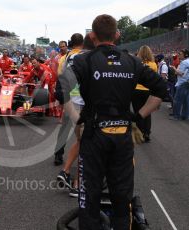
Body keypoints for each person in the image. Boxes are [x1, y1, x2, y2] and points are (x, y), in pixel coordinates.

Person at [56, 15, 167, 230]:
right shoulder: (133, 61)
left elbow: (61, 90)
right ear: (117, 35)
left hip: (94, 136)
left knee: (89, 199)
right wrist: (138, 116)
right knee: (121, 198)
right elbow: (161, 89)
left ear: (92, 36)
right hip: (122, 136)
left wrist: (77, 118)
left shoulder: (84, 60)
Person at [54, 33, 84, 166]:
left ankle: (58, 155)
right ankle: (84, 160)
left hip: (69, 98)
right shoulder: (87, 56)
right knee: (84, 130)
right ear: (82, 43)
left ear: (70, 43)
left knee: (64, 129)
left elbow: (60, 77)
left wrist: (60, 98)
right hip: (83, 99)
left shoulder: (65, 57)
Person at [131, 46, 158, 142]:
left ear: (140, 53)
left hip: (136, 90)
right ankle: (147, 133)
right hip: (148, 91)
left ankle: (140, 132)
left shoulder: (136, 63)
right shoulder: (154, 64)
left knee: (138, 111)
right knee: (147, 112)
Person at [171, 49, 189, 120]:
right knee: (186, 101)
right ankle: (185, 115)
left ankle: (176, 116)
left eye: (180, 54)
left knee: (177, 100)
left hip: (182, 83)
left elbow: (180, 73)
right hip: (187, 82)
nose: (179, 55)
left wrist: (174, 68)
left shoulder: (184, 62)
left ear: (185, 55)